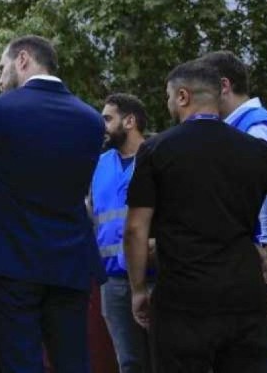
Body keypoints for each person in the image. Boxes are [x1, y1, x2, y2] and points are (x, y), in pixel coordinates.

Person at [123, 61, 267, 373]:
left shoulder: (156, 150)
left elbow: (136, 230)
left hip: (182, 299)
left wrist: (138, 289)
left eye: (168, 96)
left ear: (182, 96)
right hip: (243, 297)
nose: (167, 104)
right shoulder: (254, 148)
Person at [0, 35, 105, 373]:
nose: (0, 80)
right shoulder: (91, 120)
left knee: (20, 362)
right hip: (70, 262)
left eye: (2, 68)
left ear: (23, 59)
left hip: (9, 262)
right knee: (73, 361)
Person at [200, 51, 267, 373]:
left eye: (201, 91)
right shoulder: (242, 128)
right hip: (256, 269)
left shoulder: (256, 130)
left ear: (224, 86)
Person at [92, 93, 152, 373]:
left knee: (167, 360)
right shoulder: (99, 164)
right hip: (113, 281)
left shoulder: (158, 158)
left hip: (156, 277)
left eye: (107, 118)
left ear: (129, 121)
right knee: (128, 362)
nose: (101, 125)